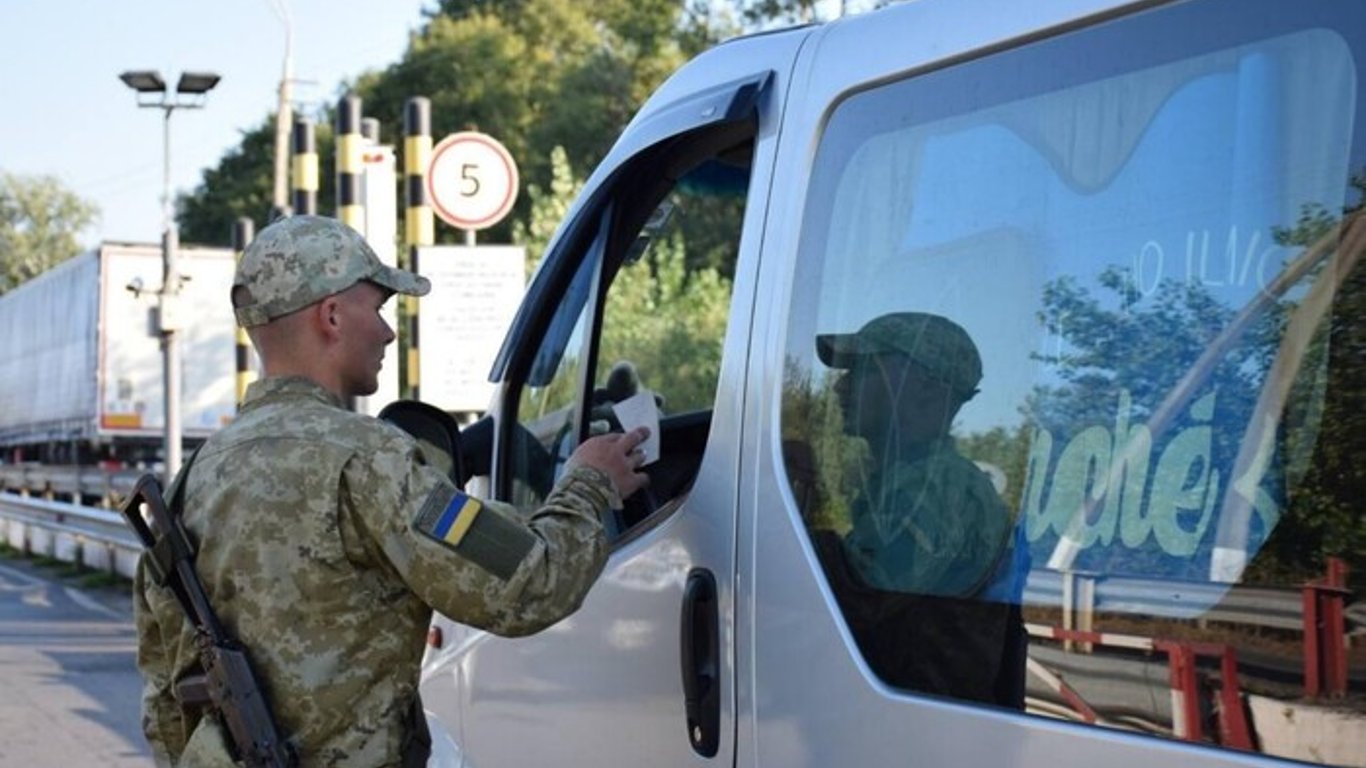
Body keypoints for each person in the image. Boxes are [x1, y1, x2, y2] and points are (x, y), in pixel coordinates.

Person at [133, 215, 651, 767]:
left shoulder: (196, 476)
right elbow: (530, 585)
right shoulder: (369, 460)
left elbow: (167, 698)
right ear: (331, 315)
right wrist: (589, 485)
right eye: (377, 308)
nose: (387, 331)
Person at [811, 311, 1028, 707]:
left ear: (925, 389)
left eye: (863, 370)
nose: (839, 388)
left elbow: (848, 605)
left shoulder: (935, 489)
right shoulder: (920, 481)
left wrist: (798, 504)